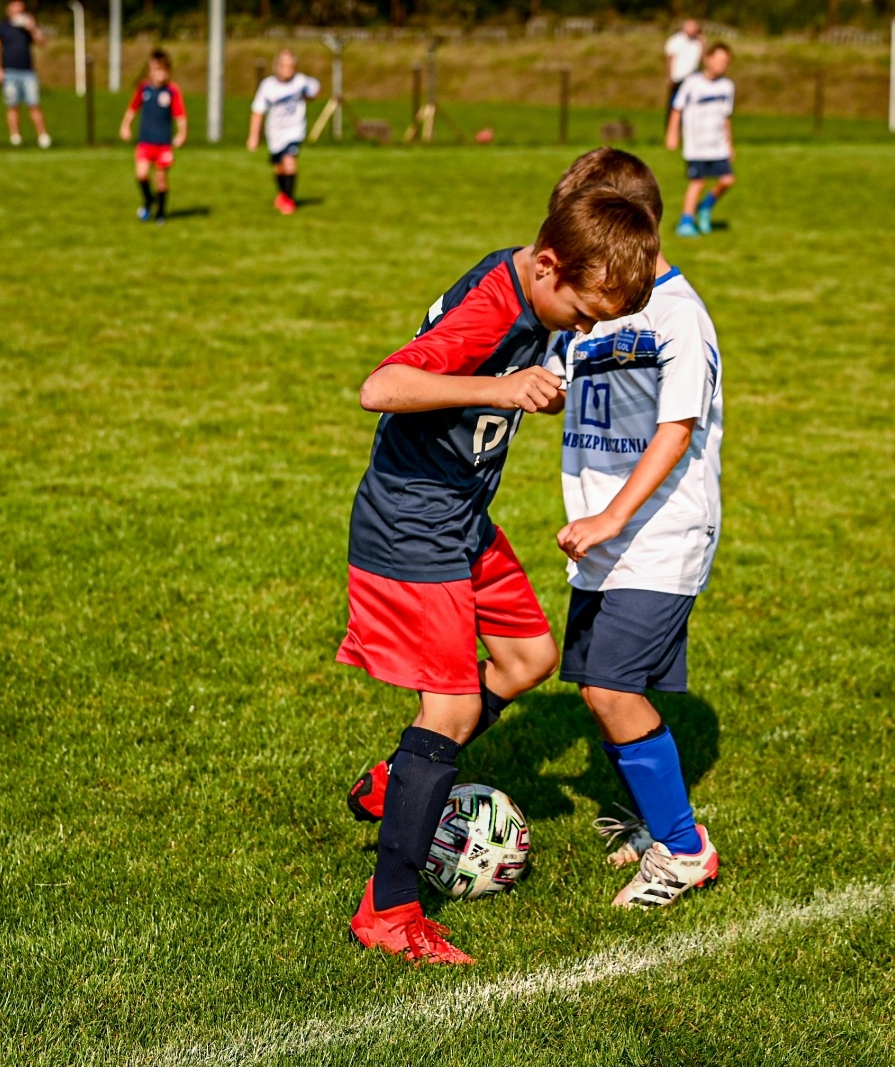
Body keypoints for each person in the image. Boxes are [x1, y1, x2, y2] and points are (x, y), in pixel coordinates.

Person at [341, 187, 661, 965]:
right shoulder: (494, 305)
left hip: (462, 517)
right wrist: (501, 386)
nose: (580, 329)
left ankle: (397, 779)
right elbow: (381, 388)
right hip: (413, 521)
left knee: (527, 658)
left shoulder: (539, 282)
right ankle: (389, 910)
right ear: (548, 266)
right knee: (451, 707)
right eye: (580, 313)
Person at [543, 148, 723, 908]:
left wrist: (613, 515)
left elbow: (677, 429)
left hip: (659, 532)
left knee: (613, 689)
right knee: (599, 691)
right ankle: (653, 819)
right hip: (600, 536)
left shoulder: (679, 314)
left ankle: (684, 850)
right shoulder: (596, 301)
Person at [666, 43, 734, 239]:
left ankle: (705, 206)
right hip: (696, 145)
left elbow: (726, 117)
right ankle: (686, 222)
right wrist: (672, 133)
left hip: (717, 144)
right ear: (707, 59)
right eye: (718, 60)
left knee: (727, 180)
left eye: (725, 62)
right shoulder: (692, 83)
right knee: (697, 182)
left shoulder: (727, 86)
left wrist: (729, 143)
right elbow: (677, 108)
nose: (721, 65)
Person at [247, 49, 319, 216]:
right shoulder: (268, 86)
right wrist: (253, 136)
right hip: (275, 132)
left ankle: (288, 201)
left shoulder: (301, 82)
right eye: (284, 66)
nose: (288, 69)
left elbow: (315, 89)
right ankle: (283, 194)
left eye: (291, 66)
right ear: (277, 67)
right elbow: (258, 111)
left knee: (289, 162)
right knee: (279, 167)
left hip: (294, 130)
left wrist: (308, 97)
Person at [119, 50, 188, 224]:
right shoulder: (144, 88)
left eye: (163, 70)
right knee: (141, 175)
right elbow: (132, 108)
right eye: (157, 70)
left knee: (161, 180)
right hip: (145, 141)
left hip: (163, 143)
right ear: (149, 71)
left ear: (168, 71)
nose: (160, 74)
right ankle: (149, 199)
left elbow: (180, 115)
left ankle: (161, 213)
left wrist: (182, 133)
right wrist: (125, 126)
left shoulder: (172, 91)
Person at [0, 0, 50, 148]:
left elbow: (42, 42)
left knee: (34, 104)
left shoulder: (28, 27)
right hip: (9, 72)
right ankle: (15, 137)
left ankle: (43, 136)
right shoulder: (3, 27)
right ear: (9, 10)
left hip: (27, 72)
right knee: (12, 105)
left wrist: (32, 28)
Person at [663, 19, 703, 118]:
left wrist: (703, 42)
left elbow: (703, 58)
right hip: (678, 78)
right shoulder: (676, 40)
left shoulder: (698, 42)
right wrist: (670, 76)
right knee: (675, 105)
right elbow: (669, 59)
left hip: (693, 78)